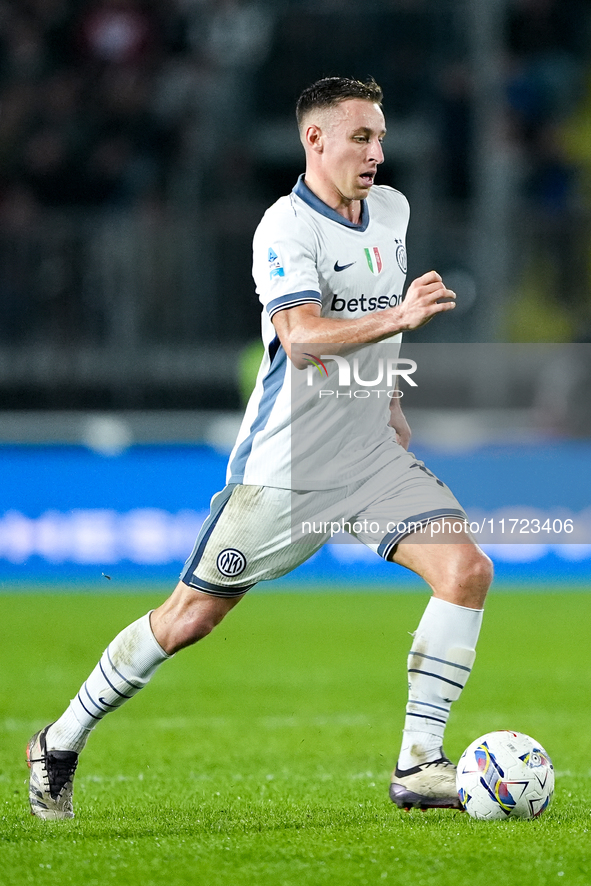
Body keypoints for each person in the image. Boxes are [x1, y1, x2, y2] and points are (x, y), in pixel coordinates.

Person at [27, 76, 493, 820]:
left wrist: (393, 399)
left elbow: (379, 319)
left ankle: (419, 765)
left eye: (380, 136)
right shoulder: (285, 229)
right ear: (315, 140)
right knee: (188, 620)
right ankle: (60, 738)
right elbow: (301, 336)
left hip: (371, 456)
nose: (377, 151)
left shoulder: (392, 211)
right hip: (287, 469)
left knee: (466, 570)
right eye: (361, 137)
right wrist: (401, 314)